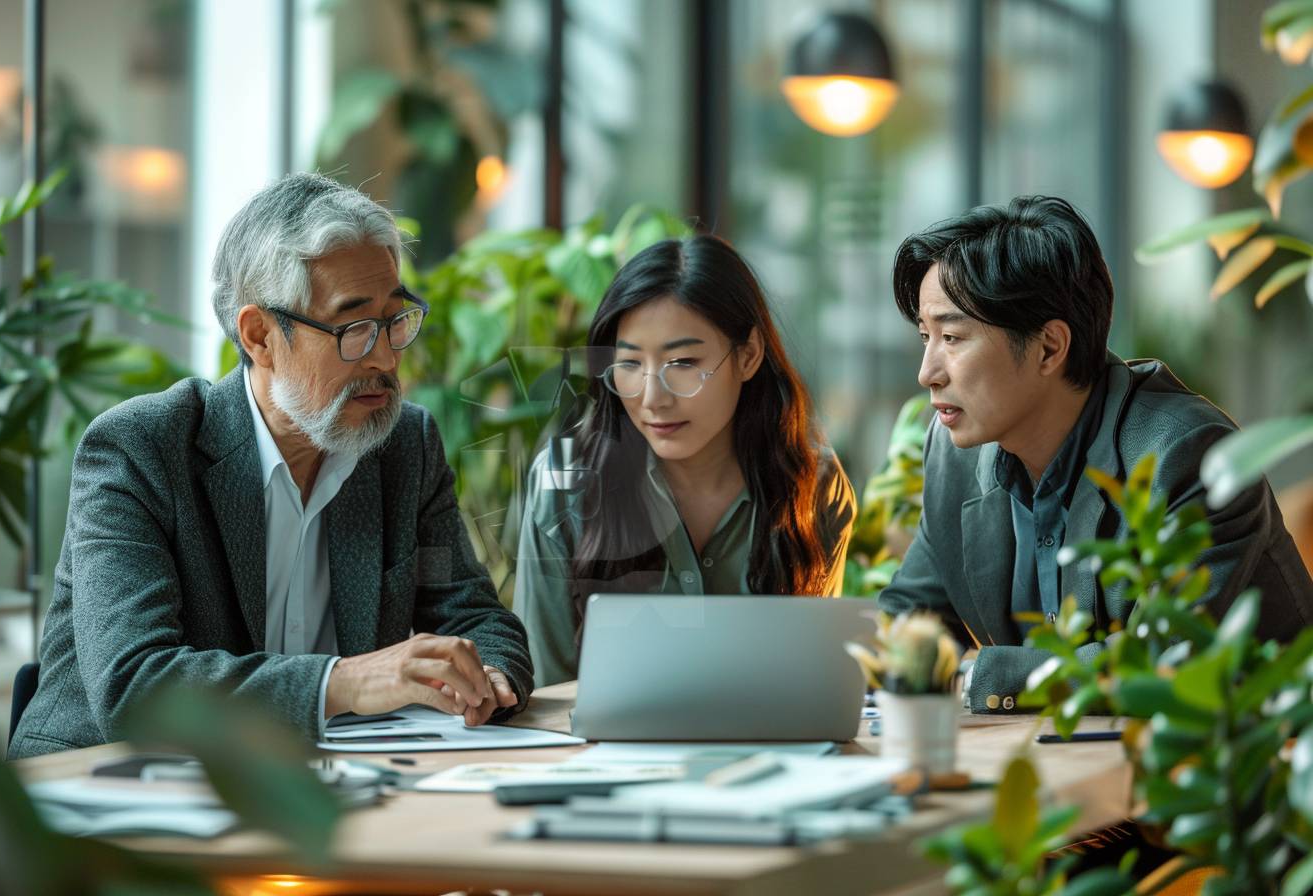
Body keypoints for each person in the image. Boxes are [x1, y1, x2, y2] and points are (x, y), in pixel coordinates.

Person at [9, 174, 532, 759]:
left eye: (394, 320)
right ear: (259, 336)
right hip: (99, 794)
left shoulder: (403, 445)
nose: (386, 355)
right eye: (354, 328)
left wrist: (489, 674)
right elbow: (137, 689)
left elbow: (474, 615)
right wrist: (347, 682)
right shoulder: (142, 448)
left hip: (316, 788)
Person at [878, 194, 1313, 714]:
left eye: (951, 337)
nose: (928, 372)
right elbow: (910, 616)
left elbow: (1164, 658)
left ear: (1048, 348)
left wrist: (980, 673)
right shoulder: (955, 455)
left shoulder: (1190, 455)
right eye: (926, 337)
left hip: (1246, 771)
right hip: (1070, 761)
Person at [513, 234, 857, 687]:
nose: (653, 399)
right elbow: (545, 689)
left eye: (682, 363)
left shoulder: (812, 482)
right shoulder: (564, 483)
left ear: (749, 355)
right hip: (602, 757)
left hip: (771, 752)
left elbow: (811, 683)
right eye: (630, 364)